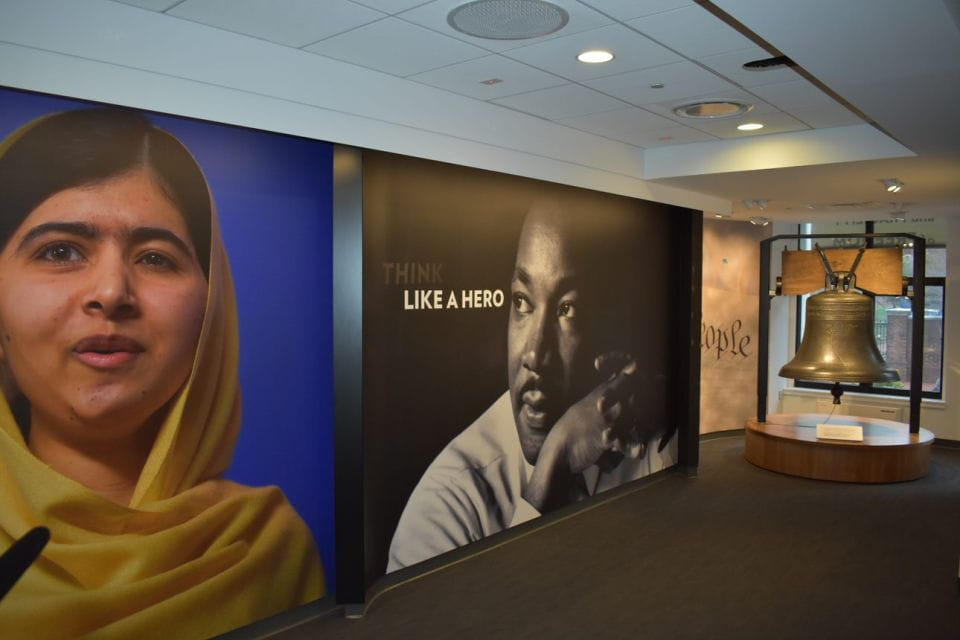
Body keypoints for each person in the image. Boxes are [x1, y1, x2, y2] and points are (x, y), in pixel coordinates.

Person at [0, 108, 324, 637]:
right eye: (60, 251)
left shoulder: (266, 546)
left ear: (212, 316)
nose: (111, 293)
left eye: (155, 258)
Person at [387, 201, 677, 572]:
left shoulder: (641, 430)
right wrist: (550, 474)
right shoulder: (447, 504)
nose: (536, 354)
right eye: (522, 302)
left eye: (567, 309)